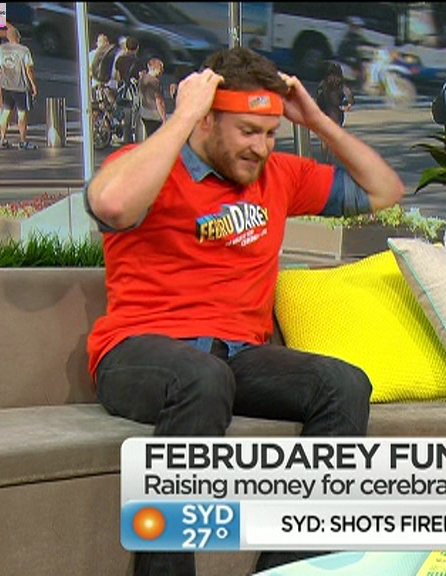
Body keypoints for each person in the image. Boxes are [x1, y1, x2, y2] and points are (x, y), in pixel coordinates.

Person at [83, 46, 405, 575]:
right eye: (248, 131)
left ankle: (285, 570)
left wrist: (317, 120)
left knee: (344, 385)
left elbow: (385, 190)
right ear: (208, 119)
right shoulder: (149, 166)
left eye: (271, 132)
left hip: (236, 357)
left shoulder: (279, 175)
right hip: (138, 351)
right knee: (203, 379)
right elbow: (113, 205)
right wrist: (183, 115)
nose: (261, 147)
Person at [0, 24, 37, 149]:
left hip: (6, 86)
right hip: (21, 86)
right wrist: (34, 85)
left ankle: (2, 138)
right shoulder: (24, 50)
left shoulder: (1, 48)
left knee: (6, 112)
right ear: (18, 37)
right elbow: (29, 70)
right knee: (22, 114)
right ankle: (22, 141)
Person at [316, 62, 355, 160]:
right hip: (337, 113)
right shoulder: (341, 85)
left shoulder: (323, 84)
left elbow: (317, 97)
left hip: (324, 112)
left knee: (325, 138)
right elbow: (350, 98)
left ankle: (325, 158)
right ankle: (332, 159)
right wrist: (347, 106)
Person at [138, 57, 166, 138]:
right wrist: (164, 118)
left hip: (144, 113)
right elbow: (159, 101)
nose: (162, 71)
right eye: (160, 68)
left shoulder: (143, 79)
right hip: (154, 116)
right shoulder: (156, 82)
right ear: (154, 69)